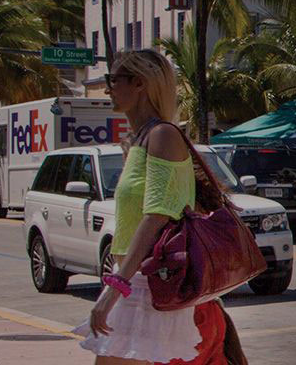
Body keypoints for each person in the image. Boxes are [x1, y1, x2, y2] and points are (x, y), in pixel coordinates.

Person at [75, 49, 241, 364]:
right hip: (134, 283)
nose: (108, 87)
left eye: (113, 80)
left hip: (147, 286)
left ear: (139, 83)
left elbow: (157, 216)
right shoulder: (137, 141)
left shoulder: (162, 135)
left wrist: (114, 290)